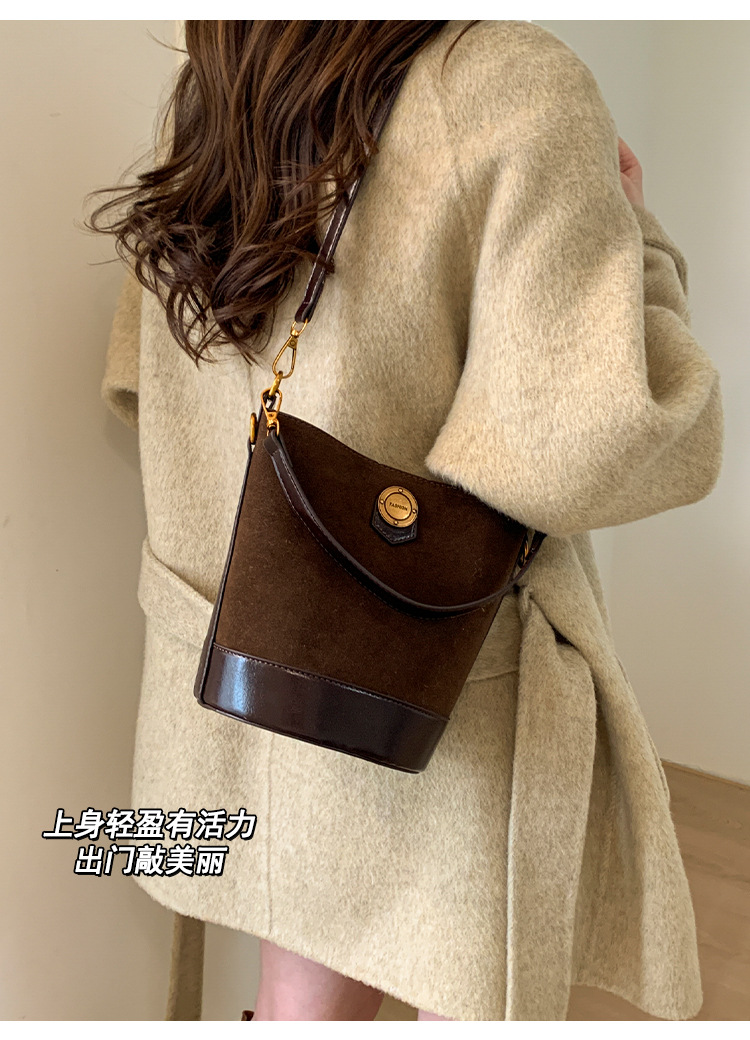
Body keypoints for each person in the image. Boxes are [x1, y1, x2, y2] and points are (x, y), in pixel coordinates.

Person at [89, 20, 723, 1021]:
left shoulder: (230, 72)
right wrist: (641, 241)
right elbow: (603, 447)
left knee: (298, 1003)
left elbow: (140, 377)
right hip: (435, 696)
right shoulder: (513, 82)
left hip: (240, 666)